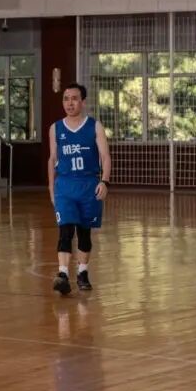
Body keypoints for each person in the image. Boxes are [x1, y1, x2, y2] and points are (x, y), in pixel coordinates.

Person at [49, 83, 111, 296]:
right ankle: (63, 274)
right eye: (66, 99)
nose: (70, 103)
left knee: (84, 233)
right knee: (65, 230)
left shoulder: (95, 126)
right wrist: (51, 188)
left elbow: (105, 156)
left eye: (74, 99)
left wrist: (105, 181)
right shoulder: (56, 128)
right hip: (65, 186)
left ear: (83, 102)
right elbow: (52, 159)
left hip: (88, 185)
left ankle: (82, 272)